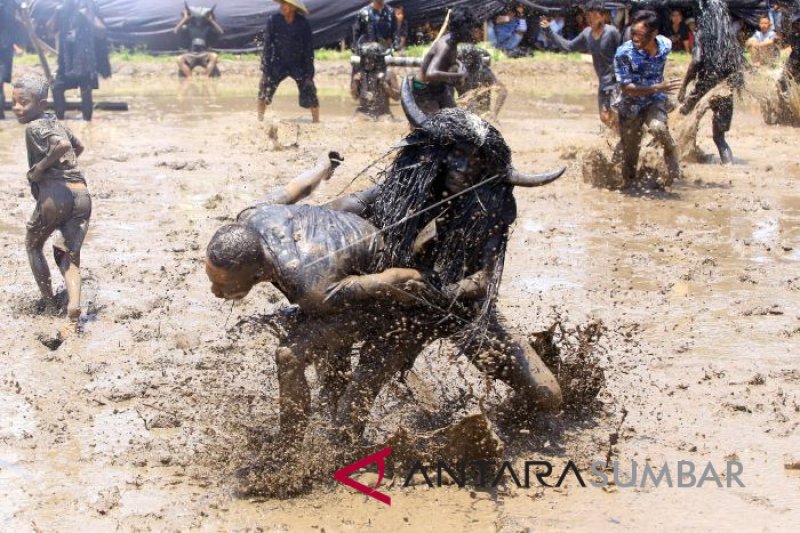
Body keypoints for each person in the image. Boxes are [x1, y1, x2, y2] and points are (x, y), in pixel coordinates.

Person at [206, 88, 566, 446]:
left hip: (454, 305)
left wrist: (430, 292)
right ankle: (334, 455)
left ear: (485, 169)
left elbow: (481, 283)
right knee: (350, 398)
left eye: (468, 160)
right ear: (430, 154)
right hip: (393, 304)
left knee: (546, 396)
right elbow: (337, 212)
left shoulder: (488, 212)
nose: (457, 167)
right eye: (451, 155)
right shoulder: (402, 188)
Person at [11, 75, 92, 337]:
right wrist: (59, 165)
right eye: (13, 102)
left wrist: (40, 169)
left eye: (24, 102)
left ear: (41, 103)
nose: (17, 107)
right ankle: (73, 309)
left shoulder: (34, 127)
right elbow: (78, 146)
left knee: (33, 245)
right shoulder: (55, 122)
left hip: (57, 197)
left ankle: (48, 304)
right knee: (67, 255)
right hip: (81, 195)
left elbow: (64, 146)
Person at [614, 10, 682, 188]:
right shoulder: (624, 53)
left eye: (641, 35)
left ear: (654, 34)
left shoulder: (665, 45)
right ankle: (629, 188)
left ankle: (671, 151)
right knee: (630, 161)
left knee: (658, 127)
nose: (635, 38)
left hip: (654, 100)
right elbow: (626, 88)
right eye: (632, 33)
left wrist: (659, 90)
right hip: (630, 105)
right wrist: (659, 86)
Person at [678, 6, 745, 165]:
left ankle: (675, 157)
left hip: (704, 86)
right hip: (725, 88)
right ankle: (729, 167)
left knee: (683, 119)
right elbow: (739, 66)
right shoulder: (729, 36)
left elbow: (697, 61)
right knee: (719, 138)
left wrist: (683, 86)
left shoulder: (702, 33)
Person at [540, 1, 622, 128]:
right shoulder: (586, 34)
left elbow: (624, 54)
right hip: (603, 83)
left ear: (603, 16)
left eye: (594, 15)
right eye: (588, 16)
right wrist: (548, 31)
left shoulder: (612, 33)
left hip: (617, 82)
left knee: (615, 115)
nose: (590, 19)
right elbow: (568, 46)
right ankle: (621, 137)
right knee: (605, 118)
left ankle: (625, 141)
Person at [257, 0, 319, 123]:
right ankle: (259, 119)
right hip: (277, 62)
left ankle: (316, 121)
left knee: (309, 89)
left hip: (298, 63)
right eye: (282, 3)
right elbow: (267, 46)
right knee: (264, 87)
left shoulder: (303, 24)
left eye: (286, 4)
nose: (282, 6)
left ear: (294, 8)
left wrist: (309, 73)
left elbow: (308, 49)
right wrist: (266, 67)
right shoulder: (273, 21)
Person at [50, 0, 110, 121]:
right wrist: (56, 12)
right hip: (66, 60)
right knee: (57, 88)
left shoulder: (91, 6)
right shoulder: (63, 8)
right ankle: (60, 122)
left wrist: (88, 14)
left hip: (85, 60)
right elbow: (51, 30)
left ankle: (87, 123)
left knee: (86, 93)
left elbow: (102, 31)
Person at [411, 7, 478, 115]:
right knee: (434, 124)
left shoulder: (452, 42)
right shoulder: (445, 46)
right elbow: (430, 74)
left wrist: (459, 64)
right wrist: (458, 75)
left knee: (455, 118)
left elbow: (447, 59)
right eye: (471, 29)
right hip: (423, 89)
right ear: (462, 28)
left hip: (438, 86)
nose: (473, 32)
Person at [455, 43, 507, 121]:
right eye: (461, 59)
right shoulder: (453, 71)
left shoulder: (483, 72)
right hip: (463, 112)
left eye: (467, 58)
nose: (464, 61)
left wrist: (495, 113)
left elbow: (503, 91)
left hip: (480, 114)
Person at [173, 4, 224, 78]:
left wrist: (211, 21)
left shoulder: (207, 28)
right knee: (179, 59)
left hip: (204, 53)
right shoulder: (189, 27)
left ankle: (206, 76)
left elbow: (221, 32)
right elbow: (175, 31)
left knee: (214, 56)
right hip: (191, 53)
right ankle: (189, 77)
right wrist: (185, 19)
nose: (198, 21)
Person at [351, 42, 399, 119]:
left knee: (387, 122)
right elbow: (354, 96)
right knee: (354, 122)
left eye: (370, 58)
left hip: (383, 114)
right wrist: (355, 83)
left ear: (378, 59)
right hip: (363, 113)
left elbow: (397, 97)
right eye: (365, 58)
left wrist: (385, 86)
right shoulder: (359, 74)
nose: (367, 61)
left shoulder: (388, 73)